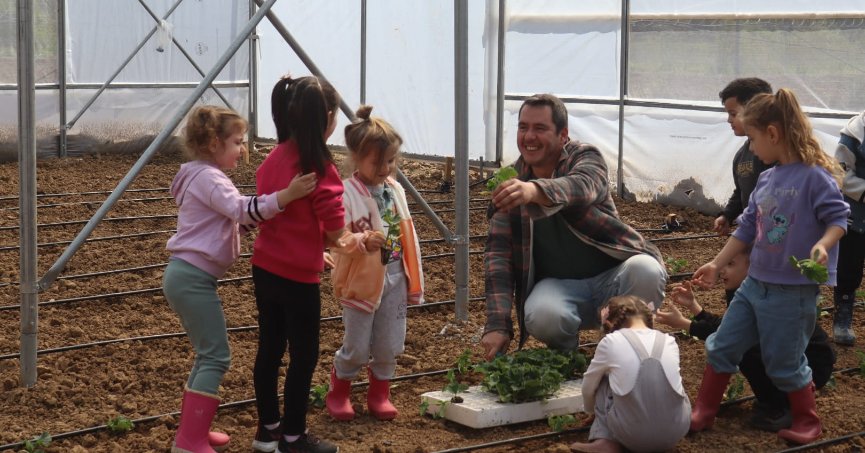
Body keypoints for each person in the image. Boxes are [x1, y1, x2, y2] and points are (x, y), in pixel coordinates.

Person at [688, 88, 849, 445]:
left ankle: (807, 421)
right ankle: (704, 410)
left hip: (792, 291)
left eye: (755, 138)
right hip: (754, 285)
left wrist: (822, 245)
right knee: (722, 345)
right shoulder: (767, 179)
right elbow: (747, 228)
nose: (753, 147)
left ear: (773, 134)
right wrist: (716, 264)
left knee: (784, 362)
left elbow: (838, 219)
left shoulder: (814, 178)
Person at [163, 106, 316, 453]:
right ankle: (189, 441)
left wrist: (268, 216)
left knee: (207, 355)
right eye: (237, 141)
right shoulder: (209, 179)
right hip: (193, 279)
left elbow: (236, 222)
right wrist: (286, 196)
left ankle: (194, 430)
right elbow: (242, 210)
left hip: (187, 277)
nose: (243, 148)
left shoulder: (201, 175)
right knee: (216, 357)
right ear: (214, 142)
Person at [480, 93, 667, 361]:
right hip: (561, 289)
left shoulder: (584, 157)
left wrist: (535, 190)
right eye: (523, 127)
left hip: (612, 279)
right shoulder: (511, 184)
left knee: (646, 270)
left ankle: (625, 355)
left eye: (540, 128)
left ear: (562, 134)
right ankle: (568, 362)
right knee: (542, 315)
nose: (529, 136)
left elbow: (582, 185)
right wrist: (498, 325)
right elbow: (499, 257)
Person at [250, 76, 346, 453]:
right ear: (325, 117)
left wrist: (311, 243)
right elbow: (336, 228)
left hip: (266, 267)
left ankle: (268, 430)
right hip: (298, 279)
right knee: (303, 356)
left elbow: (279, 213)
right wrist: (346, 240)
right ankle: (293, 437)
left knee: (270, 348)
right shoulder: (319, 166)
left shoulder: (273, 158)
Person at [655, 249, 835, 432]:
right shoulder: (743, 292)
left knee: (747, 350)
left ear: (753, 266)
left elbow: (735, 334)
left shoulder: (765, 293)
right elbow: (726, 328)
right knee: (733, 345)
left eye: (731, 264)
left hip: (812, 362)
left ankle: (783, 406)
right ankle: (714, 410)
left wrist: (685, 324)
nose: (723, 270)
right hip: (799, 357)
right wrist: (695, 309)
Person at [324, 105, 424, 422]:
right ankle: (338, 393)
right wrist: (362, 241)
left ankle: (379, 394)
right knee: (356, 343)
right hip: (361, 279)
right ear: (356, 157)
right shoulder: (346, 194)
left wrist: (411, 273)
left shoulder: (395, 190)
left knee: (389, 342)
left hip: (395, 273)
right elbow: (338, 239)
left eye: (391, 161)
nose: (385, 167)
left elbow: (406, 231)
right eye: (377, 161)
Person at [570, 295, 690, 453]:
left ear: (608, 322)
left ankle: (604, 440)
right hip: (676, 432)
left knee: (603, 379)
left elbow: (588, 387)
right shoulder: (669, 341)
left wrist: (593, 411)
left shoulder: (611, 342)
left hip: (633, 436)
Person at [713, 78, 774, 242]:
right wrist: (728, 215)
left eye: (733, 114)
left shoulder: (775, 154)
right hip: (752, 232)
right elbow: (741, 191)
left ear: (755, 110)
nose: (728, 120)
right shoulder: (741, 155)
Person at [832, 110, 865, 345]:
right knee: (849, 267)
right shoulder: (855, 132)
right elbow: (839, 173)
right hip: (857, 215)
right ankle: (842, 318)